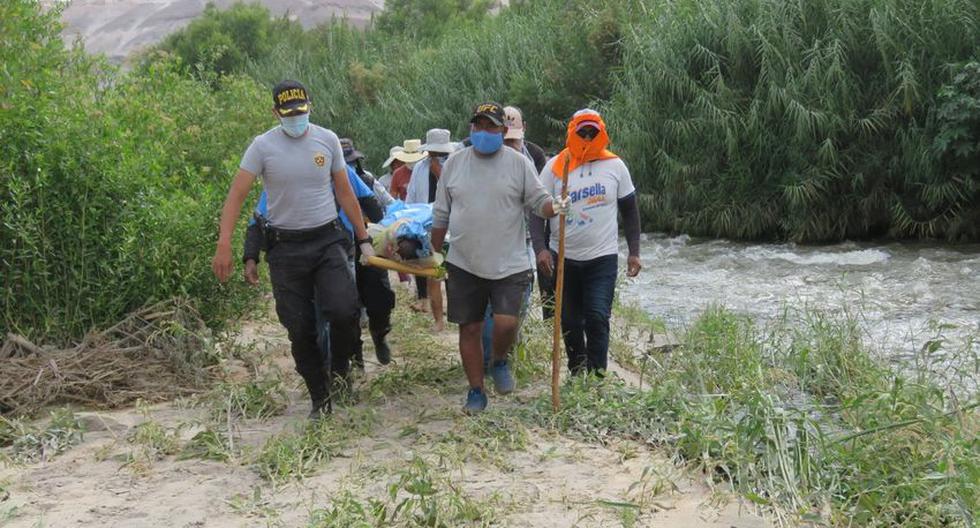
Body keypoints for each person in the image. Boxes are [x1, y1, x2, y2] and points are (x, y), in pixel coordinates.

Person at [211, 80, 375, 419]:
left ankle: (341, 371)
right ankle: (319, 397)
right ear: (275, 113)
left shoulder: (326, 140)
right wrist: (225, 243)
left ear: (310, 107)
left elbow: (346, 193)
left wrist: (363, 238)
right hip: (286, 249)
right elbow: (237, 196)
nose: (295, 119)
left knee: (345, 311)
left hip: (328, 240)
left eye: (300, 112)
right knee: (300, 328)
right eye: (288, 114)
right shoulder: (262, 147)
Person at [431, 102, 569, 414]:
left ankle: (499, 360)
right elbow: (441, 215)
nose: (484, 132)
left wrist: (557, 208)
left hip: (510, 262)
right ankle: (476, 390)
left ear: (503, 131)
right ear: (471, 129)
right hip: (465, 260)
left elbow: (539, 202)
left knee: (507, 323)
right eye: (478, 126)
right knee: (469, 328)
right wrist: (434, 255)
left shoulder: (518, 163)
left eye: (491, 127)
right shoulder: (455, 163)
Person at [532, 109, 642, 377]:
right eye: (583, 132)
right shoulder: (557, 167)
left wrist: (634, 253)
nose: (588, 137)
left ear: (601, 132)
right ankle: (577, 370)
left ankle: (597, 375)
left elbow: (630, 210)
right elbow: (536, 211)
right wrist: (541, 249)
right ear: (572, 132)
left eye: (593, 132)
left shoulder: (615, 166)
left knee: (596, 316)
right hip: (564, 258)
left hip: (601, 258)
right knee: (569, 320)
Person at [479, 106, 550, 366]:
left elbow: (540, 200)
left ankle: (508, 349)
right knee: (489, 302)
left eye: (514, 140)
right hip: (489, 238)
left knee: (519, 297)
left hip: (524, 238)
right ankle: (490, 357)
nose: (510, 145)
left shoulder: (533, 156)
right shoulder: (480, 156)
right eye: (506, 140)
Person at [340, 138, 396, 368]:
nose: (351, 168)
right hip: (340, 247)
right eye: (347, 163)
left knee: (380, 297)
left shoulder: (368, 180)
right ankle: (356, 357)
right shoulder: (320, 182)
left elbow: (386, 205)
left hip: (371, 244)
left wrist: (388, 233)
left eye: (353, 162)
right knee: (346, 304)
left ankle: (380, 334)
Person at [406, 129, 458, 329]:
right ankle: (438, 320)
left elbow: (456, 192)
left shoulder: (454, 166)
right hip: (426, 226)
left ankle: (455, 315)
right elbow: (411, 198)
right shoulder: (419, 168)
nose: (435, 157)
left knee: (453, 275)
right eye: (433, 153)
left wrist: (440, 174)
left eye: (440, 154)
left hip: (453, 226)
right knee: (433, 273)